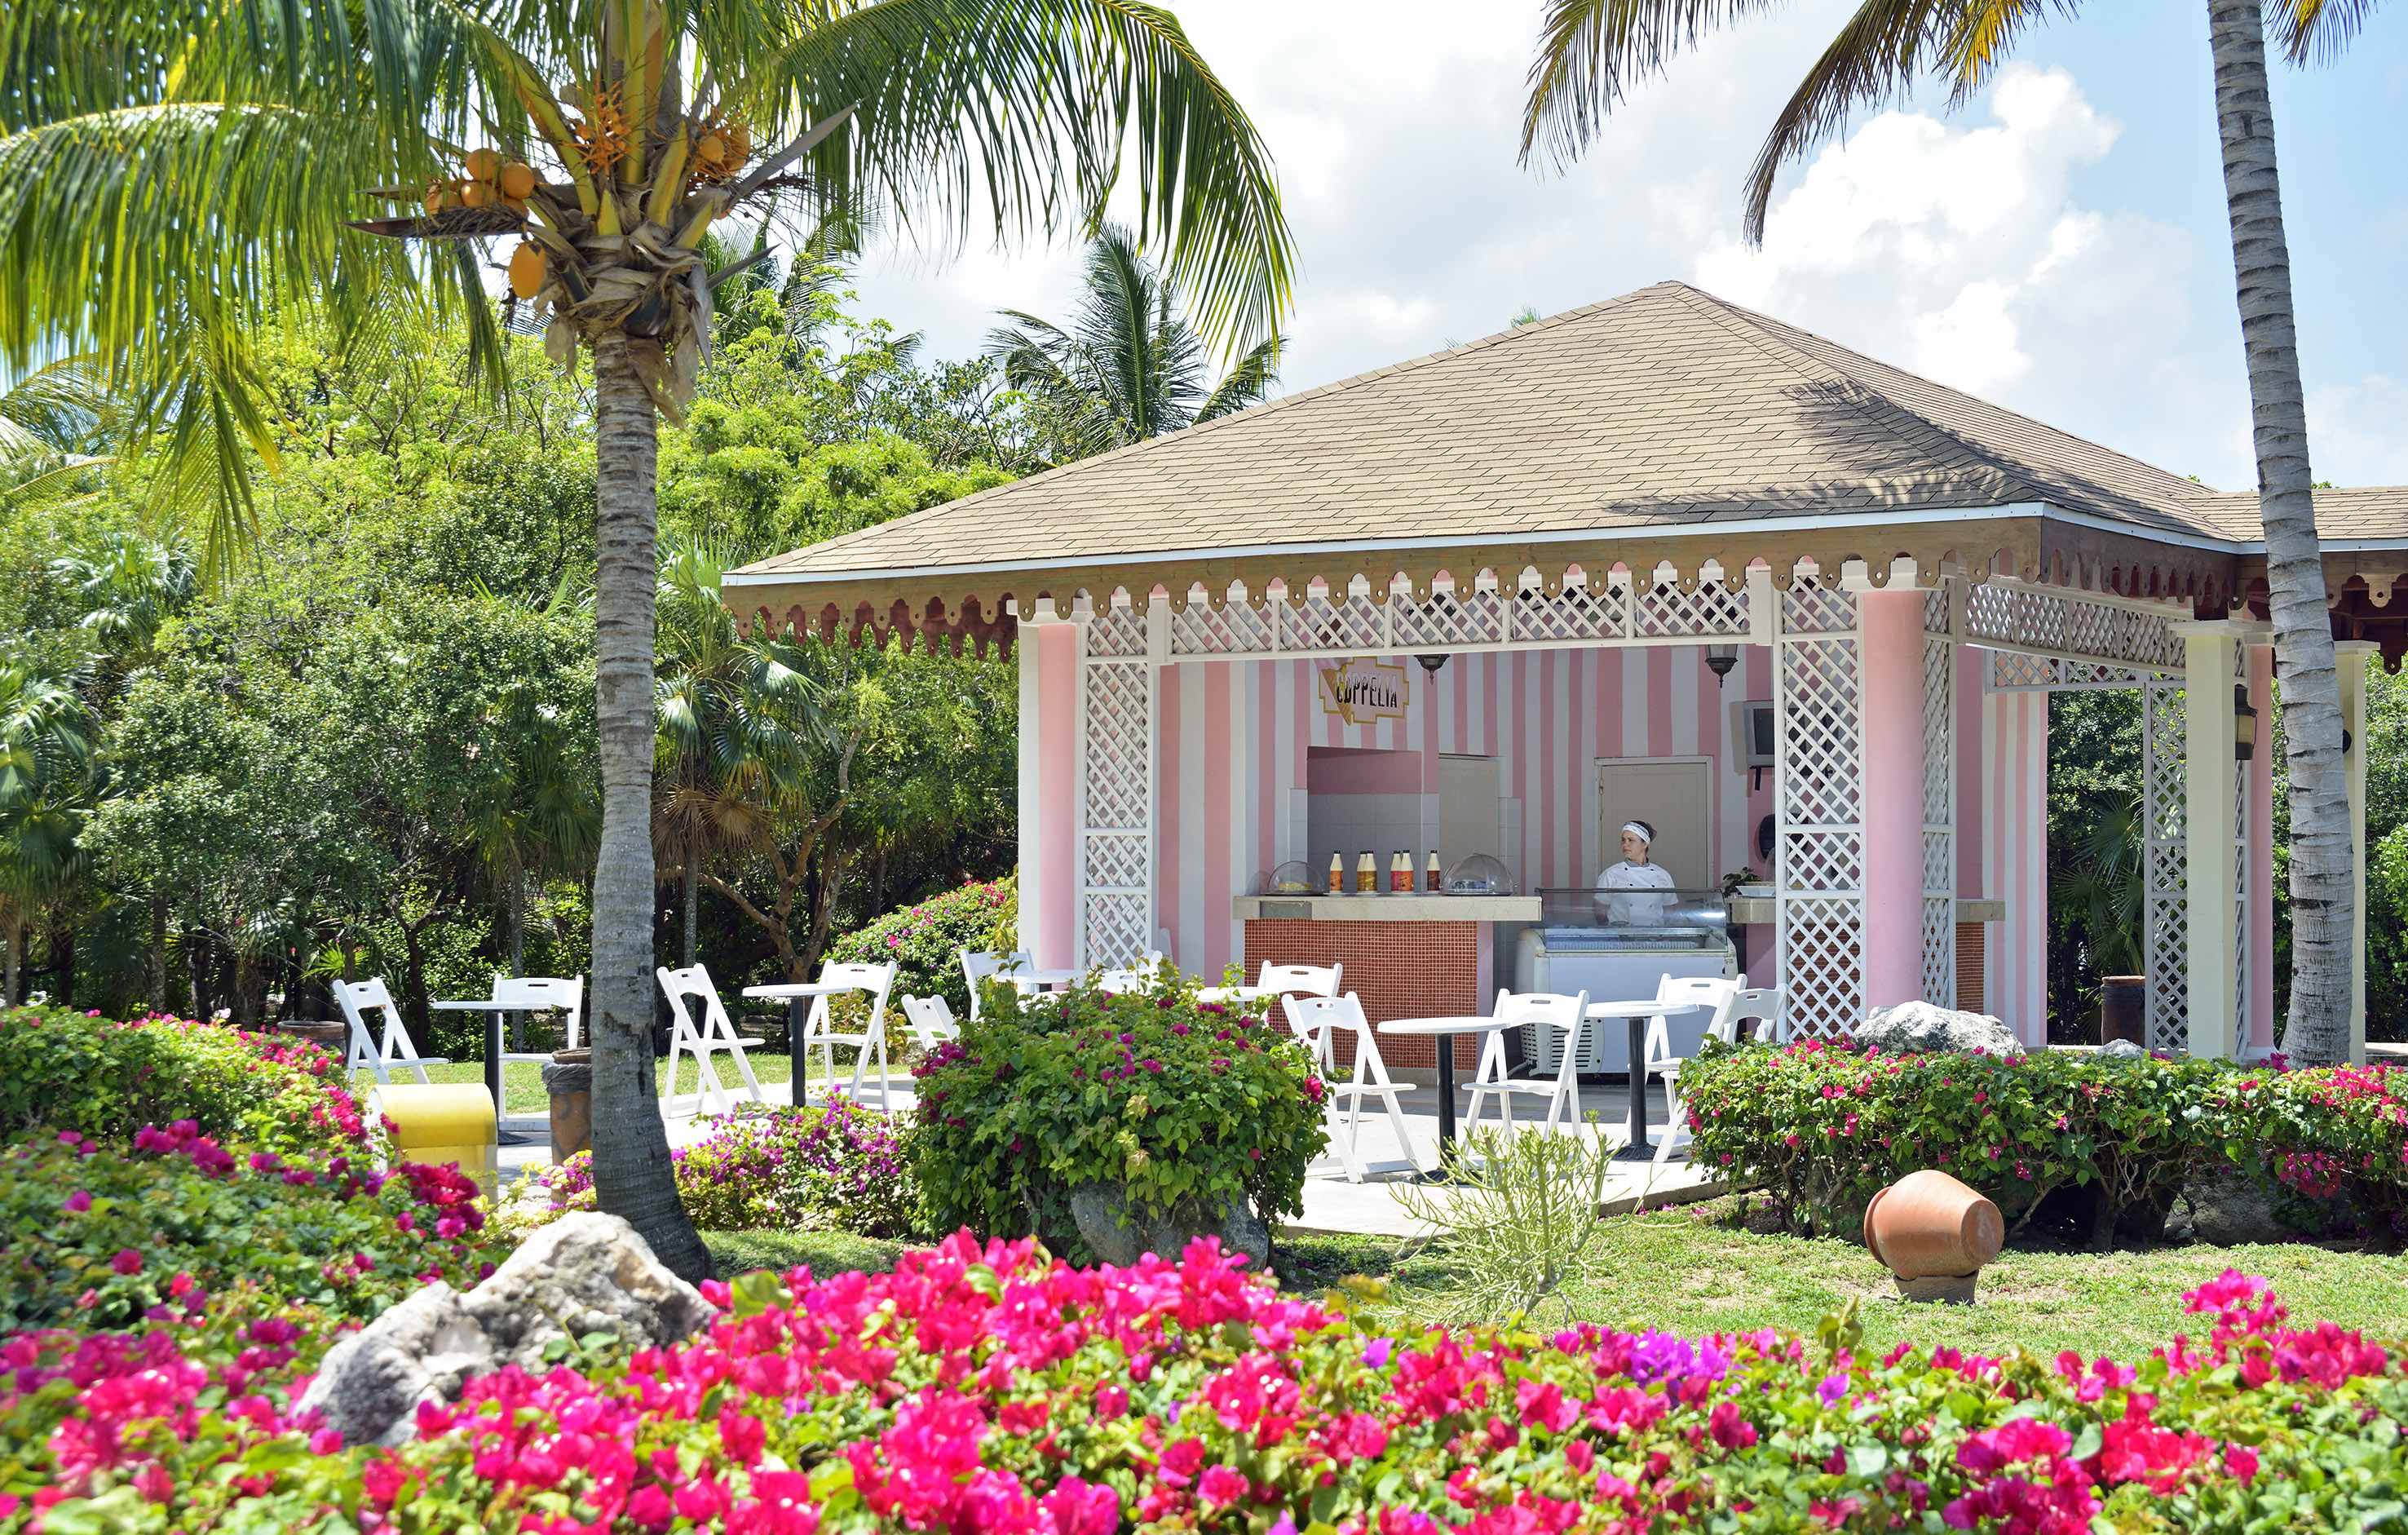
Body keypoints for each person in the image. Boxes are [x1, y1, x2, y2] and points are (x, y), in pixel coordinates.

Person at [1595, 820, 1676, 926]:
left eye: (1631, 840)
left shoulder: (1662, 875)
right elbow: (1599, 910)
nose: (1625, 844)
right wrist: (1613, 932)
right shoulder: (1611, 874)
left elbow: (1669, 908)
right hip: (1620, 938)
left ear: (1645, 844)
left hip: (1653, 937)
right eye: (1623, 840)